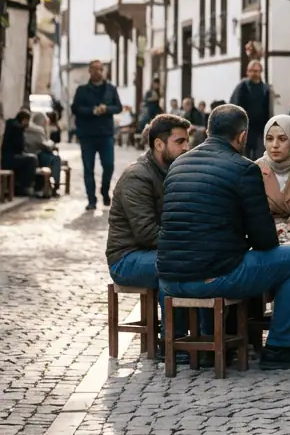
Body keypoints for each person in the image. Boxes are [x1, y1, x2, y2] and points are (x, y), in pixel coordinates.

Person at [157, 104, 290, 370]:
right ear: (242, 136)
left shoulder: (178, 164)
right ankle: (280, 346)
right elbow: (264, 240)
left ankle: (208, 344)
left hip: (169, 280)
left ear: (207, 131)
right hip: (213, 277)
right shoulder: (243, 169)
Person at [107, 114, 190, 335]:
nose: (187, 147)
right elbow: (146, 234)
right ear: (159, 144)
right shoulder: (137, 176)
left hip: (155, 252)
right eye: (180, 141)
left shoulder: (174, 171)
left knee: (201, 261)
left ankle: (204, 336)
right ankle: (174, 341)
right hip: (126, 258)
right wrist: (185, 244)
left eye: (187, 141)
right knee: (175, 265)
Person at [71, 59, 121, 210]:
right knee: (88, 168)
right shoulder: (82, 90)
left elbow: (118, 107)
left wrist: (106, 109)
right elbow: (75, 109)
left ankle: (104, 191)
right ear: (90, 71)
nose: (98, 72)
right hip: (87, 135)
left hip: (105, 133)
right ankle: (91, 200)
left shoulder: (110, 89)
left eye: (100, 69)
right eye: (95, 69)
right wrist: (92, 111)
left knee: (109, 165)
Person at [229, 60, 272, 159]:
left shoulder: (265, 88)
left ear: (260, 72)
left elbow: (267, 108)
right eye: (252, 71)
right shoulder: (242, 87)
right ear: (247, 72)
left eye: (256, 71)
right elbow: (235, 106)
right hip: (245, 128)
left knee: (260, 155)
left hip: (261, 128)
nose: (254, 73)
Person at [23, 112, 62, 192]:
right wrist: (51, 144)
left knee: (53, 158)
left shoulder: (26, 129)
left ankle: (51, 185)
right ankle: (56, 184)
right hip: (37, 156)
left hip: (29, 156)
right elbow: (44, 145)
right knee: (56, 159)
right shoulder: (38, 130)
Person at [2, 111, 38, 195]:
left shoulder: (11, 125)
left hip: (9, 157)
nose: (28, 124)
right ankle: (24, 187)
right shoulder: (16, 128)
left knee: (30, 160)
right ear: (23, 120)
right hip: (10, 158)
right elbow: (19, 147)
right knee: (32, 160)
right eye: (27, 121)